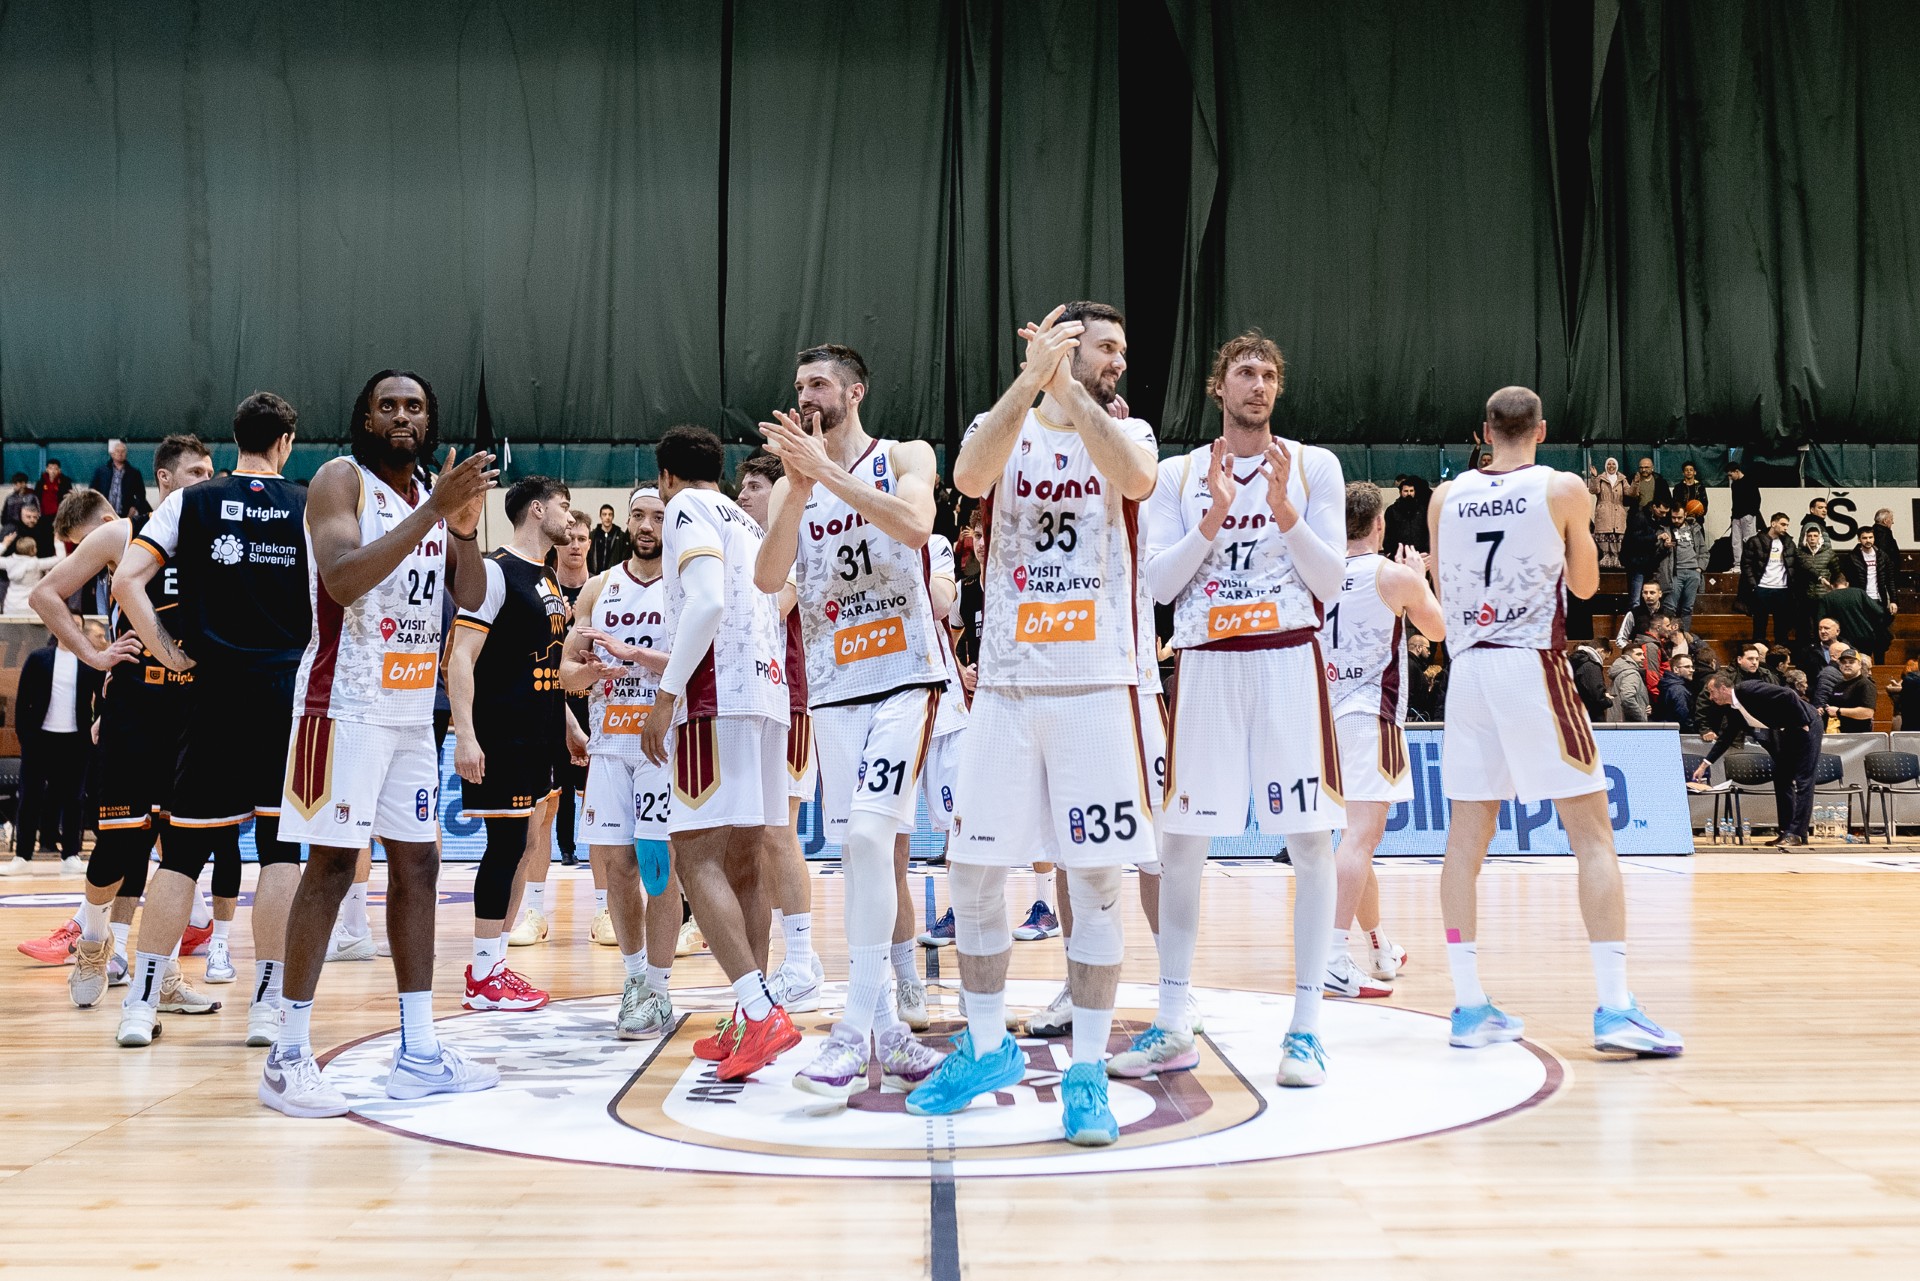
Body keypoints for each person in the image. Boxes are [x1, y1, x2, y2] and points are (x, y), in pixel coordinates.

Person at [908, 301, 1157, 1144]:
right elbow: (970, 477)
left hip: (1096, 684)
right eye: (1106, 348)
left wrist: (1070, 389)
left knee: (1095, 883)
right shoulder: (1005, 422)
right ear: (1065, 348)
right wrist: (1030, 383)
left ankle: (1087, 1072)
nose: (1119, 361)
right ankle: (987, 1049)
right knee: (975, 876)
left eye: (1122, 348)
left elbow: (1135, 479)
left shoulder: (1130, 429)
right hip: (1010, 688)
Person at [1113, 327, 1347, 1090]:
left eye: (1269, 374)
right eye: (1245, 372)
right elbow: (1157, 585)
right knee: (1180, 846)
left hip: (1288, 660)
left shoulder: (1313, 466)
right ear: (1219, 387)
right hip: (1207, 662)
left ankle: (1307, 1028)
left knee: (1310, 843)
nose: (1258, 384)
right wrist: (1212, 516)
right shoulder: (1178, 474)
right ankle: (1172, 1020)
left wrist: (1284, 511)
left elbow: (1332, 580)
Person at [264, 369, 500, 1117]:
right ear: (365, 418)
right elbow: (341, 579)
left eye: (416, 406)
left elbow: (470, 596)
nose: (403, 415)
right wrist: (434, 510)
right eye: (388, 405)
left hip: (410, 711)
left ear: (431, 421)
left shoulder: (429, 489)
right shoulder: (342, 481)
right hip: (342, 705)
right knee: (334, 866)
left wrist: (463, 528)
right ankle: (287, 1055)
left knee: (420, 864)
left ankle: (420, 1052)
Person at [1429, 386, 1681, 1056]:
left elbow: (1444, 587)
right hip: (1530, 664)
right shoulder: (1563, 486)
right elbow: (1586, 586)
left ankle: (1468, 1005)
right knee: (1592, 836)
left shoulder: (1444, 497)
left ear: (1484, 431)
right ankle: (1616, 1006)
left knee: (1464, 842)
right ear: (1541, 430)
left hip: (1468, 670)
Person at [753, 343, 949, 1100]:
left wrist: (827, 473)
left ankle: (851, 1031)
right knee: (859, 854)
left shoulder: (902, 454)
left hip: (904, 677)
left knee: (871, 840)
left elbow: (915, 525)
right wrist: (798, 487)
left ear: (855, 391)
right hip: (834, 689)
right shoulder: (791, 484)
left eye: (819, 384)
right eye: (798, 385)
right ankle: (890, 1034)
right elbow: (769, 578)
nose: (806, 396)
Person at [111, 392, 312, 1049]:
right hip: (285, 694)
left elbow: (126, 581)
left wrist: (166, 650)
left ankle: (139, 1004)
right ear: (286, 441)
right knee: (281, 852)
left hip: (211, 692)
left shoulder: (189, 501)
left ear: (236, 438)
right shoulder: (310, 504)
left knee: (183, 854)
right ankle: (267, 1007)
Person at [22, 443, 217, 1002]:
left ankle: (165, 972)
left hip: (193, 708)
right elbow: (44, 594)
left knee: (180, 849)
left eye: (210, 471)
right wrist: (95, 655)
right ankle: (92, 945)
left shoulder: (214, 535)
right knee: (118, 843)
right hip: (137, 703)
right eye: (195, 471)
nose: (206, 479)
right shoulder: (123, 533)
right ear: (164, 477)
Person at [640, 426, 800, 1082]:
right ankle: (748, 1017)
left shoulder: (686, 507)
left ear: (667, 476)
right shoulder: (746, 519)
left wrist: (666, 697)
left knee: (693, 855)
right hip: (767, 697)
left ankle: (759, 1013)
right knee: (745, 865)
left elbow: (705, 601)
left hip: (715, 699)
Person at [561, 486, 685, 1037]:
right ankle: (635, 981)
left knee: (658, 868)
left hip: (664, 745)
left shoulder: (686, 584)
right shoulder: (598, 586)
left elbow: (697, 661)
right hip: (609, 744)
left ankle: (660, 986)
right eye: (638, 515)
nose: (647, 525)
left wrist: (634, 655)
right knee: (617, 868)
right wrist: (592, 671)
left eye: (658, 516)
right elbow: (566, 674)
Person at [449, 475, 573, 1013]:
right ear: (537, 510)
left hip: (541, 731)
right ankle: (481, 974)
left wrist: (568, 724)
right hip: (503, 731)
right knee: (504, 847)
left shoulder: (547, 576)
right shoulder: (495, 571)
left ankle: (494, 964)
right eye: (564, 506)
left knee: (526, 845)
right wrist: (466, 735)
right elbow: (460, 657)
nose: (570, 517)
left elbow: (544, 661)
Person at [1315, 482, 1442, 999]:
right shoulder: (1392, 575)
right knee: (1361, 840)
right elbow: (1438, 631)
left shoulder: (1316, 573)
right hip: (1371, 713)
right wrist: (1420, 580)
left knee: (1352, 839)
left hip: (1321, 718)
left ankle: (1378, 945)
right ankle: (1331, 957)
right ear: (1379, 524)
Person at [733, 452, 825, 1013]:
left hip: (789, 698)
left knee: (778, 832)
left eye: (753, 486)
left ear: (782, 492)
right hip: (755, 698)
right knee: (757, 837)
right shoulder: (754, 545)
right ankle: (792, 961)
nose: (742, 495)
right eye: (740, 486)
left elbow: (773, 604)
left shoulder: (791, 543)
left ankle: (803, 961)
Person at [3, 608, 104, 877]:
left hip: (75, 741)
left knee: (73, 799)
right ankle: (23, 856)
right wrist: (26, 737)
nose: (72, 630)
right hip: (40, 740)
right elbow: (23, 701)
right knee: (29, 798)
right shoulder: (39, 659)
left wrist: (95, 728)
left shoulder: (89, 662)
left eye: (78, 626)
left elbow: (103, 698)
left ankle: (71, 855)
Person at [1693, 668, 1821, 846]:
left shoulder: (1747, 689)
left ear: (1723, 688)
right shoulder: (1733, 709)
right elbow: (1726, 738)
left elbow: (1788, 694)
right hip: (1789, 729)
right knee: (1782, 777)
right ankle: (1786, 831)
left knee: (1804, 779)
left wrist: (1803, 721)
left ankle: (1797, 833)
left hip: (1807, 724)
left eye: (1712, 692)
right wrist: (1704, 765)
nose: (1710, 697)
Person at [1820, 567, 1894, 664]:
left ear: (1832, 585)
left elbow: (1821, 620)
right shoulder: (1859, 592)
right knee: (1863, 664)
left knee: (1847, 665)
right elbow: (1879, 611)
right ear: (1847, 584)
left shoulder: (1827, 598)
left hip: (1843, 639)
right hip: (1865, 637)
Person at [1742, 513, 1797, 643]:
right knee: (1760, 625)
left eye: (1787, 525)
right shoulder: (1755, 541)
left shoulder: (1789, 542)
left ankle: (1781, 653)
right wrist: (1754, 585)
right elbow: (1746, 564)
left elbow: (1794, 564)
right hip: (1762, 588)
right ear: (1773, 524)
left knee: (1782, 627)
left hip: (1782, 588)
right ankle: (1759, 652)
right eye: (1783, 524)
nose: (1785, 528)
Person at [1665, 503, 1707, 631]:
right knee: (1669, 606)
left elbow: (1704, 551)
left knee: (1687, 608)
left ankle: (1684, 636)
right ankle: (1667, 636)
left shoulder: (1695, 529)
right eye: (1673, 517)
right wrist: (1664, 545)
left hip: (1693, 571)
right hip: (1675, 572)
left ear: (1685, 515)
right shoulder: (1666, 529)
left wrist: (1699, 568)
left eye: (1679, 517)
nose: (1676, 520)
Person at [1619, 494, 1668, 605]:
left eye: (1666, 513)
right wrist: (1656, 537)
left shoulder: (1652, 517)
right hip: (1636, 561)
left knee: (1641, 597)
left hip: (1644, 561)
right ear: (1654, 507)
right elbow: (1634, 539)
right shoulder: (1640, 516)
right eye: (1661, 512)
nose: (1664, 515)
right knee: (1636, 598)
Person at [1843, 526, 1899, 618]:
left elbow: (1890, 580)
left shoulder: (1883, 556)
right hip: (1861, 598)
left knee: (1881, 622)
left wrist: (1893, 601)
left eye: (1870, 537)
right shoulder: (1852, 558)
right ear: (1859, 539)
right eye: (1864, 538)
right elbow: (1848, 581)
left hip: (1879, 597)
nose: (1868, 540)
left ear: (1874, 538)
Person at [1794, 524, 1836, 644]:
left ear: (1820, 537)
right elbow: (1803, 568)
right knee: (1804, 627)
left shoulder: (1829, 553)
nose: (1812, 538)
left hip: (1823, 595)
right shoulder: (1800, 553)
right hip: (1804, 595)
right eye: (1810, 536)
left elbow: (1836, 572)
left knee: (1822, 625)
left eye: (1815, 536)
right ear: (1805, 537)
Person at [1820, 649, 1878, 733]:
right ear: (1839, 665)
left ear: (1859, 665)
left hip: (1858, 736)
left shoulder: (1865, 684)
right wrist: (1824, 709)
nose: (1847, 665)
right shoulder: (1838, 685)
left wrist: (1839, 711)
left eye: (1851, 662)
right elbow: (1833, 707)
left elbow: (1867, 713)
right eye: (1844, 662)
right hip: (1838, 734)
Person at [0, 533, 58, 613]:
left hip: (10, 606)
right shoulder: (36, 564)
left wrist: (4, 544)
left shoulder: (9, 562)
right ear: (33, 549)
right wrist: (58, 542)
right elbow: (60, 559)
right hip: (31, 607)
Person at [90, 440, 148, 519]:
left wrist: (134, 507)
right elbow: (92, 491)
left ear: (126, 454)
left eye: (123, 451)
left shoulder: (134, 473)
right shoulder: (101, 471)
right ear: (112, 454)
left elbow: (141, 494)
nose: (120, 454)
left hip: (125, 515)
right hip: (105, 514)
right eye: (117, 451)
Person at [1587, 459, 1627, 568]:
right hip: (1604, 515)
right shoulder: (1600, 478)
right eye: (1609, 464)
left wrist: (1636, 484)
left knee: (1617, 540)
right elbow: (1593, 490)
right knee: (1603, 540)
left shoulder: (1622, 479)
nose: (1611, 466)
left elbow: (1630, 492)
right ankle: (1604, 564)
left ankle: (1617, 562)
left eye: (1613, 464)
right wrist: (1594, 477)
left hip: (1618, 515)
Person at [1382, 475, 1431, 561]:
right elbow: (1387, 532)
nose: (1409, 494)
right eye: (1406, 491)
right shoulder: (1392, 511)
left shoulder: (1423, 510)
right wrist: (1389, 551)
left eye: (1411, 491)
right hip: (1398, 556)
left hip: (1420, 555)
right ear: (1400, 492)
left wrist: (1427, 551)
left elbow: (1427, 531)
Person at [1614, 581, 1672, 647]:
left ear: (1660, 594)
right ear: (1642, 594)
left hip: (1663, 651)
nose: (1648, 596)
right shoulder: (1633, 613)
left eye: (1652, 592)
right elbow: (1620, 639)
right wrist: (1633, 650)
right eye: (1645, 592)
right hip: (1640, 651)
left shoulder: (1668, 614)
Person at [1726, 460, 1761, 554]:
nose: (1730, 478)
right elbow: (1735, 502)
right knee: (1736, 542)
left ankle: (1751, 561)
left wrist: (1751, 514)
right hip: (1736, 516)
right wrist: (1732, 517)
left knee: (1750, 541)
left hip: (1747, 515)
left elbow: (1757, 499)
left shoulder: (1750, 481)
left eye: (1731, 475)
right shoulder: (1734, 485)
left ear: (1737, 471)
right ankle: (1737, 562)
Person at [588, 503, 632, 575]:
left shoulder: (621, 536)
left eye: (610, 514)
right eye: (604, 514)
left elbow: (625, 557)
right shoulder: (592, 535)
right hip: (594, 575)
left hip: (614, 576)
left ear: (613, 516)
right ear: (600, 516)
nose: (607, 517)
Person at [1570, 643, 1610, 721]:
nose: (1604, 660)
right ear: (1601, 651)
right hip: (1592, 715)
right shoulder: (1591, 666)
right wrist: (1607, 701)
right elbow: (1597, 695)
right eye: (1606, 658)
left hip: (1577, 712)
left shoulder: (1574, 663)